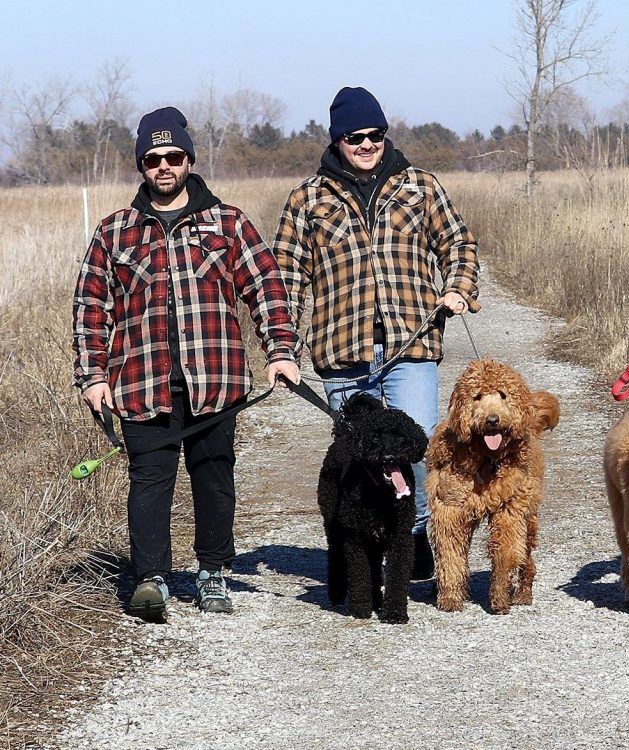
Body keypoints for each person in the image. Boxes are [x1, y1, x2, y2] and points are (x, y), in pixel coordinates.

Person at [72, 107, 301, 621]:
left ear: (188, 159)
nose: (164, 166)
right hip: (139, 383)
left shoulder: (229, 223)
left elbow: (265, 288)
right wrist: (92, 375)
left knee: (213, 476)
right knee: (149, 481)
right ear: (141, 165)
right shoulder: (115, 232)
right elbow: (91, 306)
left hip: (215, 381)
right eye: (153, 159)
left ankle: (212, 572)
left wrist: (280, 352)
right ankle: (151, 579)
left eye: (173, 156)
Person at [272, 87, 480, 581]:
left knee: (419, 443)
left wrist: (458, 289)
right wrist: (282, 348)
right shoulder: (308, 199)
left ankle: (414, 534)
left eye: (376, 135)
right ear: (338, 139)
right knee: (358, 456)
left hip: (412, 343)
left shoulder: (420, 187)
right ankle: (361, 549)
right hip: (342, 350)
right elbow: (285, 278)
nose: (367, 144)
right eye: (356, 136)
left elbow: (458, 243)